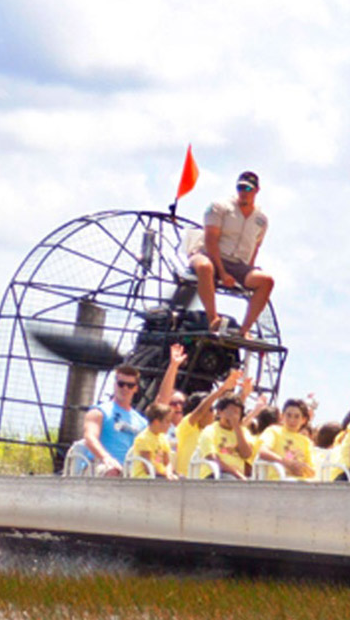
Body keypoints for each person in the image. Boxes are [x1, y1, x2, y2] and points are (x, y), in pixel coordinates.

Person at [188, 170, 274, 339]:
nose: (244, 192)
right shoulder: (219, 207)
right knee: (205, 267)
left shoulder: (261, 219)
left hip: (238, 263)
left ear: (256, 191)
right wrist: (222, 272)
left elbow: (255, 247)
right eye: (241, 188)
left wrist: (246, 272)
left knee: (266, 280)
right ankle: (213, 319)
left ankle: (245, 329)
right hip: (210, 255)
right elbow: (211, 240)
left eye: (248, 189)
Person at [81, 345, 186, 476]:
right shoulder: (99, 412)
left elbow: (162, 403)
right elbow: (90, 437)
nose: (125, 388)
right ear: (115, 384)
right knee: (113, 471)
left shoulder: (140, 420)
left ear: (136, 388)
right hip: (100, 466)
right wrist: (106, 458)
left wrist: (173, 367)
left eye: (130, 385)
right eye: (121, 384)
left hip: (130, 471)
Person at [173, 369, 241, 477]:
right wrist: (222, 389)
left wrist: (244, 395)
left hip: (208, 480)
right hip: (187, 482)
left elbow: (233, 416)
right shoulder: (186, 427)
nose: (213, 412)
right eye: (210, 409)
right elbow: (200, 411)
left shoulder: (213, 430)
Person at [254, 397, 316, 480]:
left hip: (300, 482)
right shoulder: (273, 431)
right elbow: (263, 452)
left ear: (303, 420)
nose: (292, 420)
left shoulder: (305, 441)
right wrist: (287, 463)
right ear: (282, 416)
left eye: (297, 417)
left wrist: (303, 469)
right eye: (288, 415)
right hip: (278, 479)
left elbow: (312, 471)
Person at [127, 402, 177, 479]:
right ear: (156, 422)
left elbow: (167, 462)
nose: (170, 425)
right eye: (167, 421)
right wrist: (165, 475)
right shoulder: (144, 438)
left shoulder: (162, 438)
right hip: (144, 478)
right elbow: (148, 468)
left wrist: (169, 473)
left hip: (160, 475)